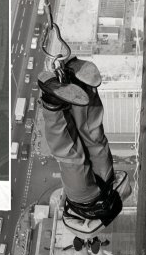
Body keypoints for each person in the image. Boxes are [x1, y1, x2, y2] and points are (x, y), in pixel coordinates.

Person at [38, 56, 132, 236]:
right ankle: (52, 103)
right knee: (69, 156)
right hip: (82, 197)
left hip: (107, 180)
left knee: (93, 135)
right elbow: (77, 225)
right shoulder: (79, 227)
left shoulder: (99, 221)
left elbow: (121, 191)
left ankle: (84, 86)